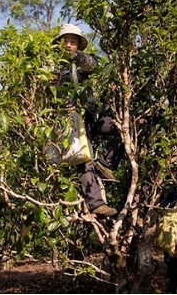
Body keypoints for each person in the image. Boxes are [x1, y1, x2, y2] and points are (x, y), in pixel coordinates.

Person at [51, 24, 124, 218]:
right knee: (83, 159)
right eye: (65, 41)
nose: (68, 45)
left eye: (72, 42)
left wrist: (77, 58)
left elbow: (93, 65)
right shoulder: (52, 67)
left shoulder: (83, 61)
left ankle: (106, 163)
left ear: (78, 46)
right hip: (72, 120)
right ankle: (96, 204)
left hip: (92, 115)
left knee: (123, 128)